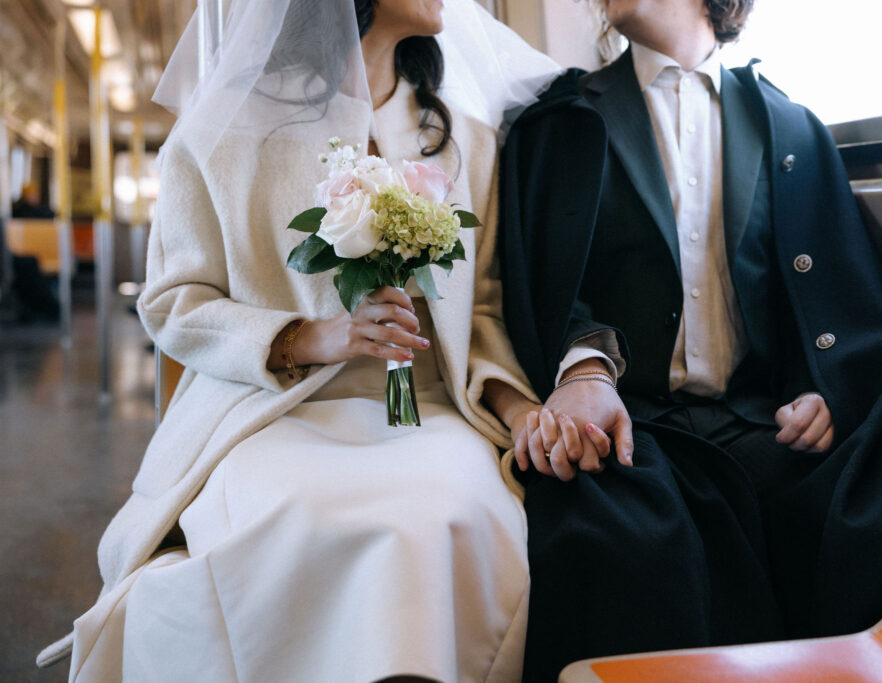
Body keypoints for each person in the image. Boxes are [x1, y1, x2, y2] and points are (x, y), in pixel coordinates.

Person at [37, 1, 560, 681]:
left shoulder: (464, 141)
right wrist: (310, 335)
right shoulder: (220, 133)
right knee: (298, 512)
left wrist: (519, 410)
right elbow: (173, 301)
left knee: (441, 510)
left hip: (428, 410)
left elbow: (484, 310)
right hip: (272, 413)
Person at [500, 0, 882, 678]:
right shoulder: (566, 122)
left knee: (870, 520)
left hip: (755, 416)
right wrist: (586, 372)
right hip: (635, 424)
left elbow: (822, 296)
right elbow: (553, 286)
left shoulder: (787, 125)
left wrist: (816, 390)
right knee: (619, 541)